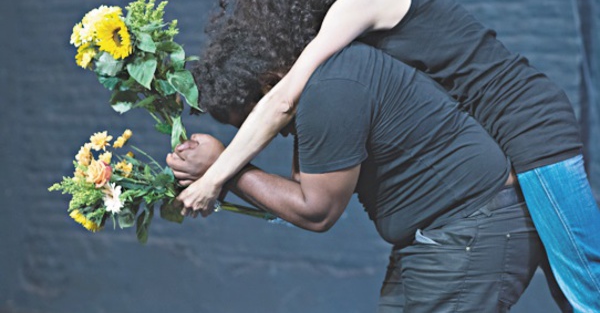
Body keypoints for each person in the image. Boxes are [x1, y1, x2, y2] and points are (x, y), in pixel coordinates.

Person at [185, 0, 600, 311]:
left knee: (585, 290)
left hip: (529, 126)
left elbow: (283, 99)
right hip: (507, 132)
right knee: (572, 291)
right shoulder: (350, 35)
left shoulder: (361, 0)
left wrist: (214, 177)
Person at [168, 27, 543, 311]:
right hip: (436, 237)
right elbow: (304, 185)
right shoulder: (316, 82)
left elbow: (317, 211)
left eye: (256, 124)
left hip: (471, 228)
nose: (274, 136)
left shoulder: (329, 90)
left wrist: (223, 169)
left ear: (270, 88)